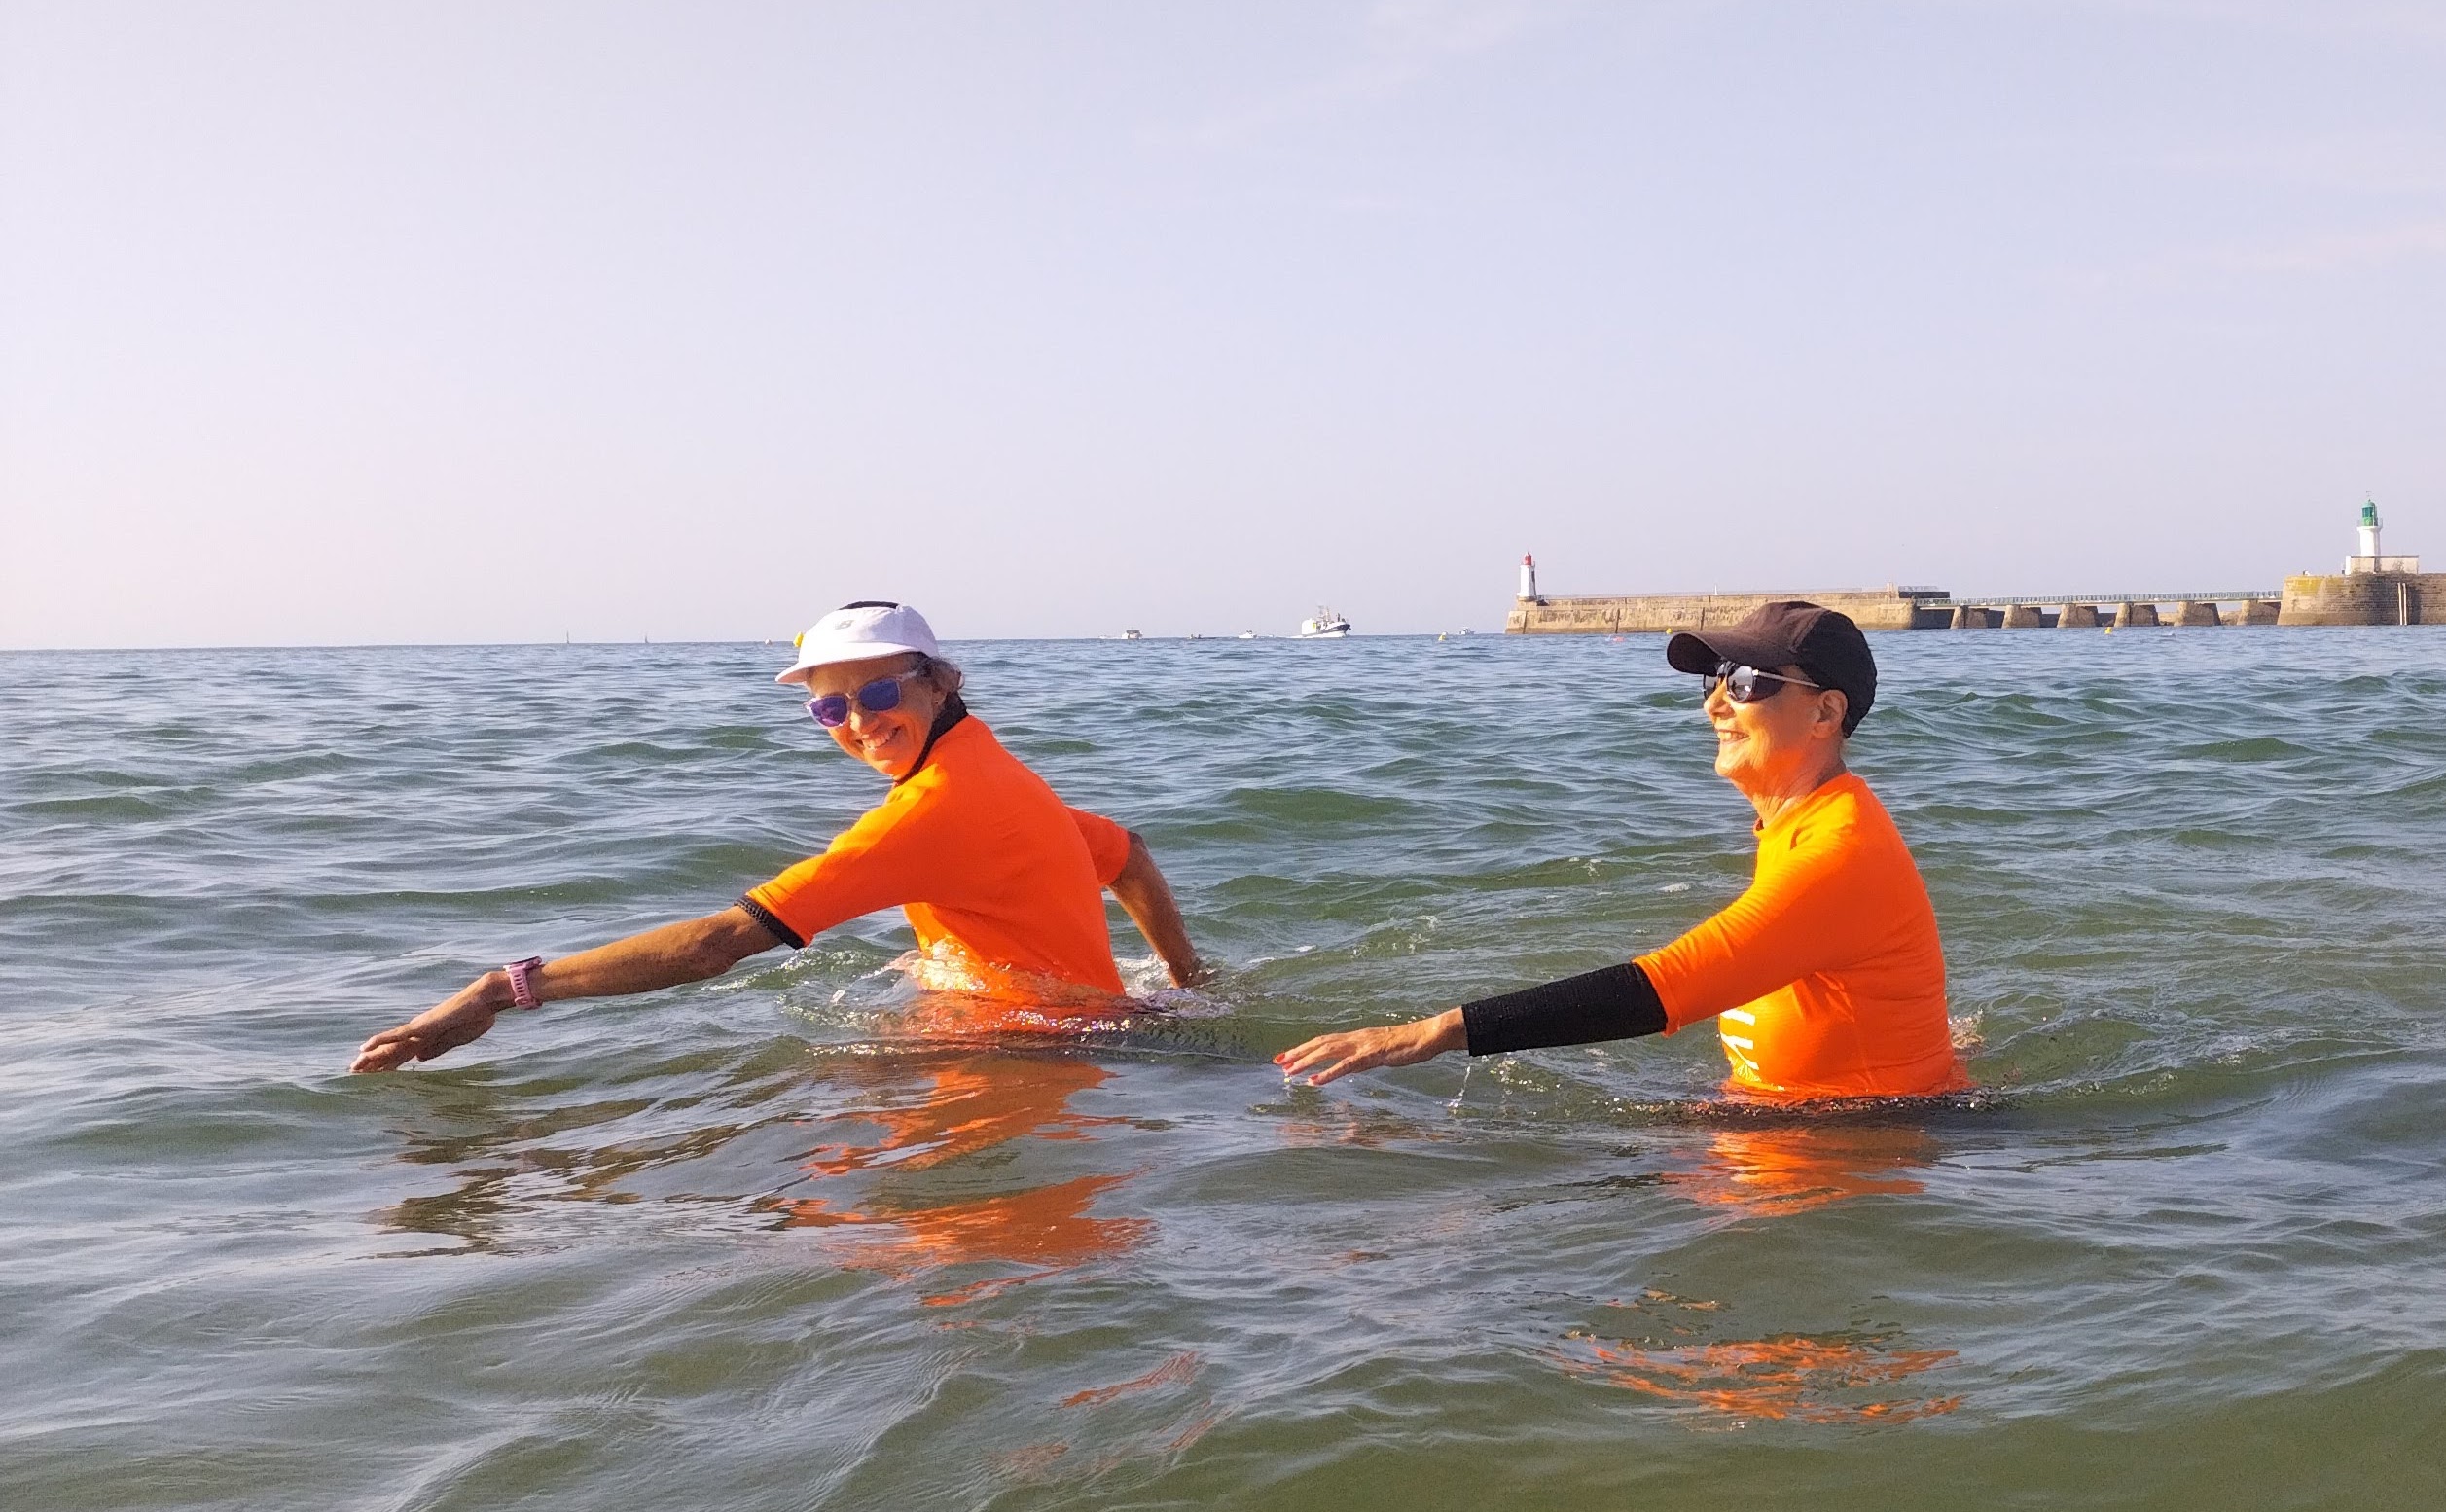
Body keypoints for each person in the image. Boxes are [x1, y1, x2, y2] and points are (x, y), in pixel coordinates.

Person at [352, 601, 1202, 1073]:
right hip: (1095, 1036)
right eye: (831, 707)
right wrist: (1184, 981)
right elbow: (1127, 853)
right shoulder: (993, 771)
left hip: (1032, 1055)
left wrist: (502, 991)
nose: (859, 724)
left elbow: (714, 946)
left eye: (879, 694)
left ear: (940, 684)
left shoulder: (929, 811)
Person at [1275, 600, 1968, 1100]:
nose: (1714, 704)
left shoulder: (1840, 853)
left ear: (1826, 711)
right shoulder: (1802, 824)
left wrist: (1431, 1033)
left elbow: (1662, 988)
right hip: (1806, 1124)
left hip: (1856, 1152)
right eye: (1716, 679)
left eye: (1747, 683)